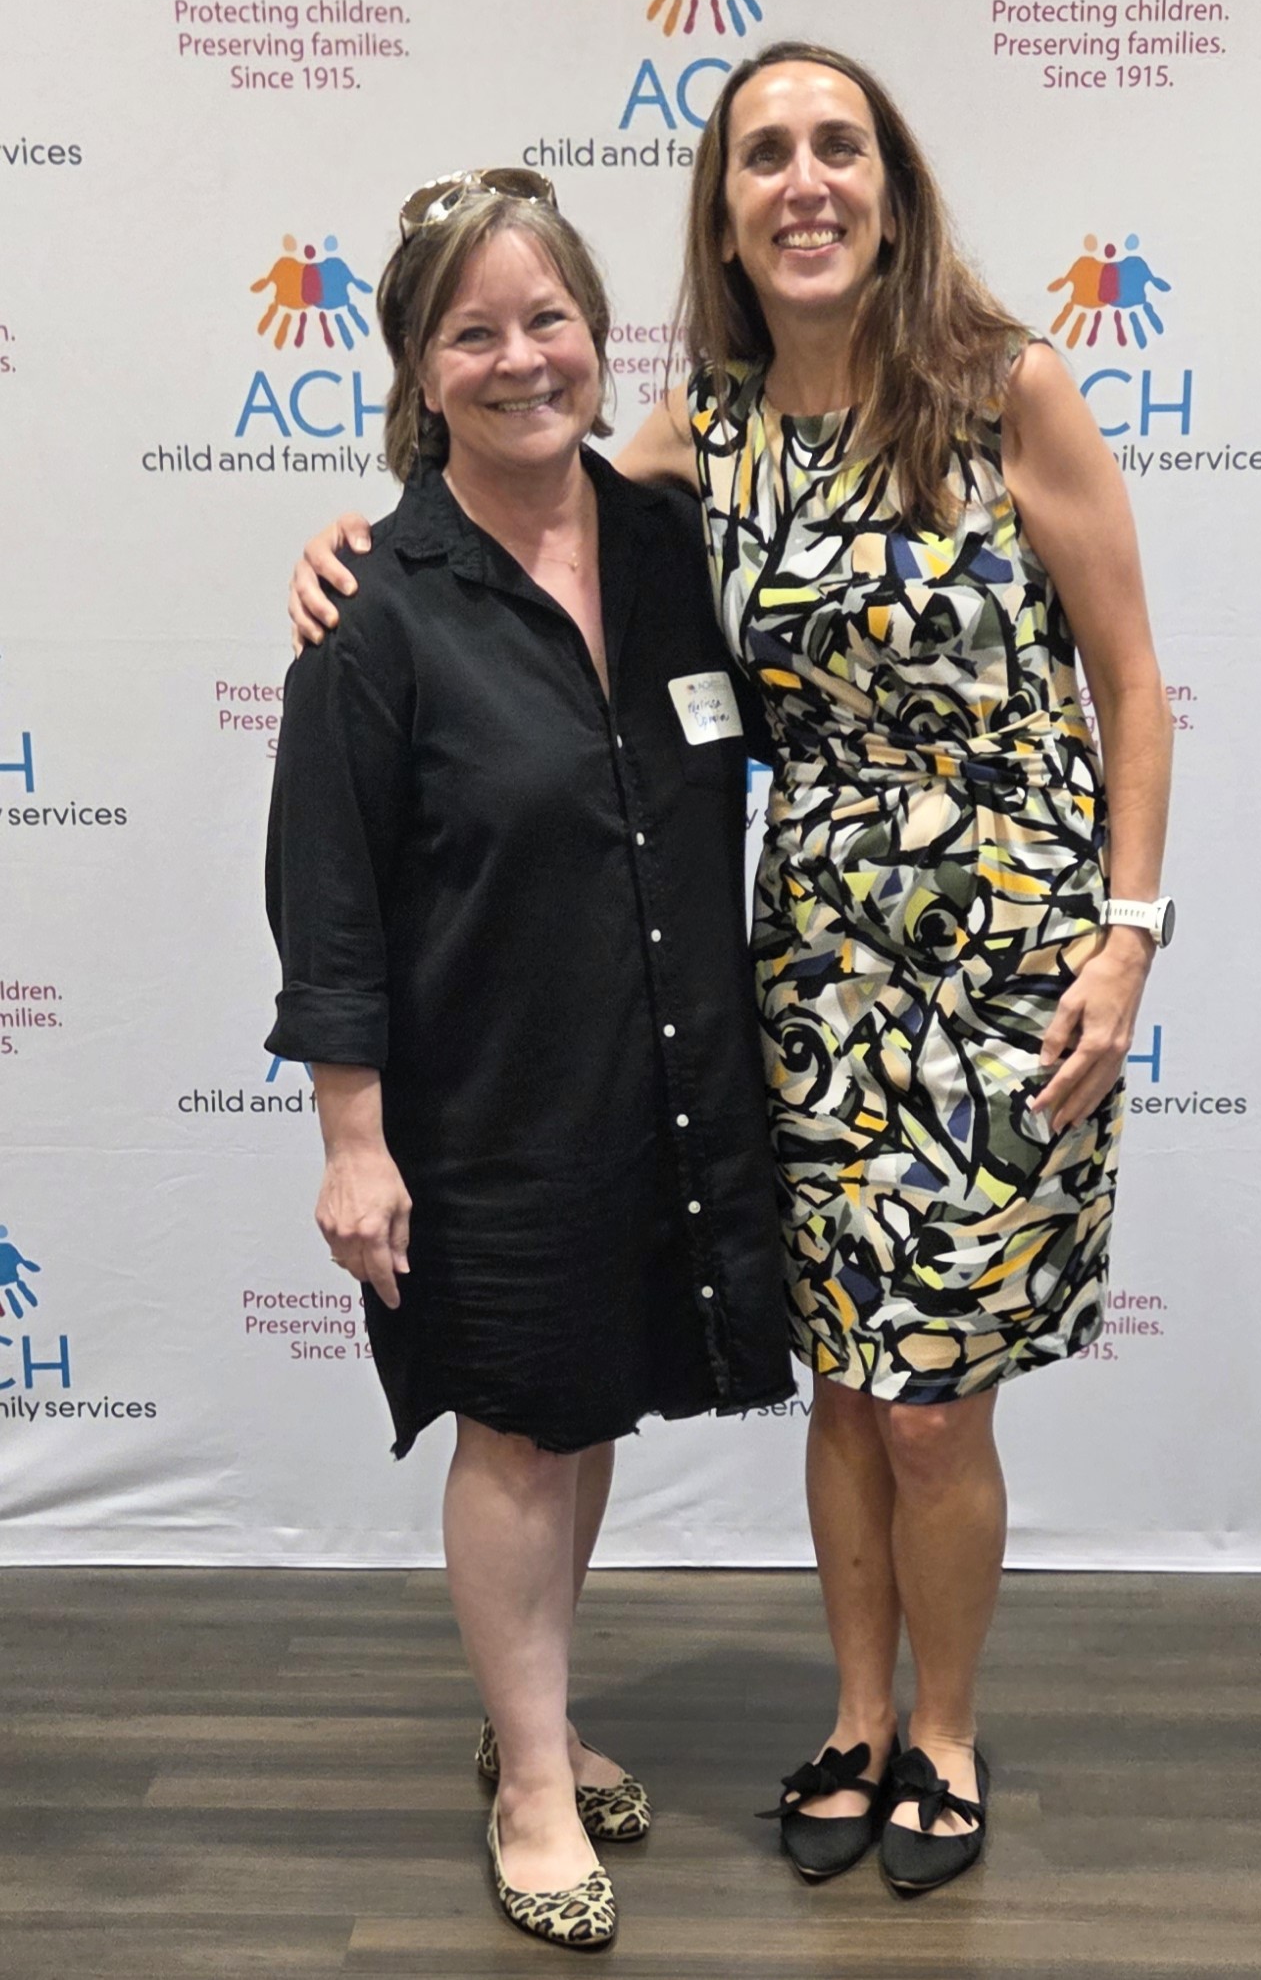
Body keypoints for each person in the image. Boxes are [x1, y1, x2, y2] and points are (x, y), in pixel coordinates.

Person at [288, 42, 1173, 1901]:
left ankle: (946, 1733)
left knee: (935, 1398)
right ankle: (853, 1718)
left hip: (1011, 978)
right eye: (765, 153)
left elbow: (1132, 684)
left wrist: (1131, 930)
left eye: (838, 145)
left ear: (892, 183)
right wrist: (354, 538)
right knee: (848, 1381)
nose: (805, 181)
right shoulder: (709, 435)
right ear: (726, 208)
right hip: (814, 975)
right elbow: (512, 505)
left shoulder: (1003, 389)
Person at [266, 168, 792, 1950]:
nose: (520, 359)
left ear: (597, 332)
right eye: (471, 332)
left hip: (670, 1090)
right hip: (487, 1109)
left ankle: (535, 1718)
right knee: (512, 1431)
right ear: (418, 373)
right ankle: (534, 1789)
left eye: (547, 318)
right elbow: (328, 900)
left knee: (583, 1411)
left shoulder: (669, 548)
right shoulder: (378, 606)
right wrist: (354, 1140)